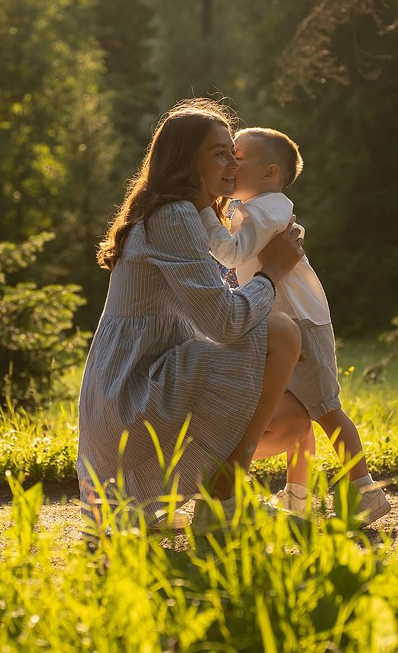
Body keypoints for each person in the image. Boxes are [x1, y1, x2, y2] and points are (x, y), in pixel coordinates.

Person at [76, 98, 310, 532]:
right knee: (280, 333)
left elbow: (213, 323)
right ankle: (224, 494)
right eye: (220, 154)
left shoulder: (185, 216)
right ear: (187, 161)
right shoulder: (174, 215)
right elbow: (224, 324)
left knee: (292, 419)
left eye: (235, 155)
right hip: (131, 398)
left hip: (135, 397)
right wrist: (274, 272)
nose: (233, 166)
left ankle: (188, 495)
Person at [200, 127, 391, 526]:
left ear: (270, 172)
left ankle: (365, 490)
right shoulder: (254, 208)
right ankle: (297, 497)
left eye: (239, 156)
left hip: (300, 323)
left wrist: (203, 212)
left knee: (325, 408)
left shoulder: (268, 208)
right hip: (286, 321)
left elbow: (232, 254)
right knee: (301, 412)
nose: (231, 164)